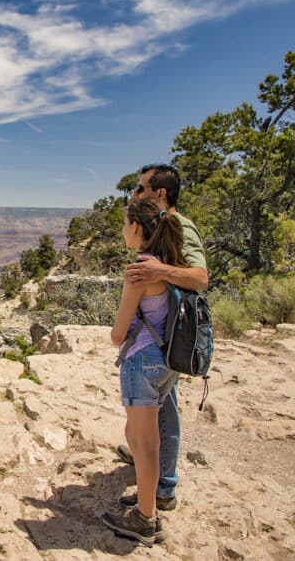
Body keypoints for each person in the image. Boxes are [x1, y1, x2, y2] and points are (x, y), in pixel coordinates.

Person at [117, 163, 208, 512]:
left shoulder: (180, 225)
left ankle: (163, 488)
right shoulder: (163, 229)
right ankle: (146, 461)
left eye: (141, 189)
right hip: (161, 336)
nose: (135, 195)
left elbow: (200, 277)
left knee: (165, 409)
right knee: (158, 409)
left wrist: (158, 271)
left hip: (164, 340)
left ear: (160, 194)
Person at [102, 197, 191, 546]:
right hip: (168, 362)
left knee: (143, 443)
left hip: (142, 362)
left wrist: (116, 334)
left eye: (126, 223)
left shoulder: (141, 268)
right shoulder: (170, 263)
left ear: (137, 228)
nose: (123, 230)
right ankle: (146, 500)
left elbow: (118, 333)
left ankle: (144, 518)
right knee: (143, 437)